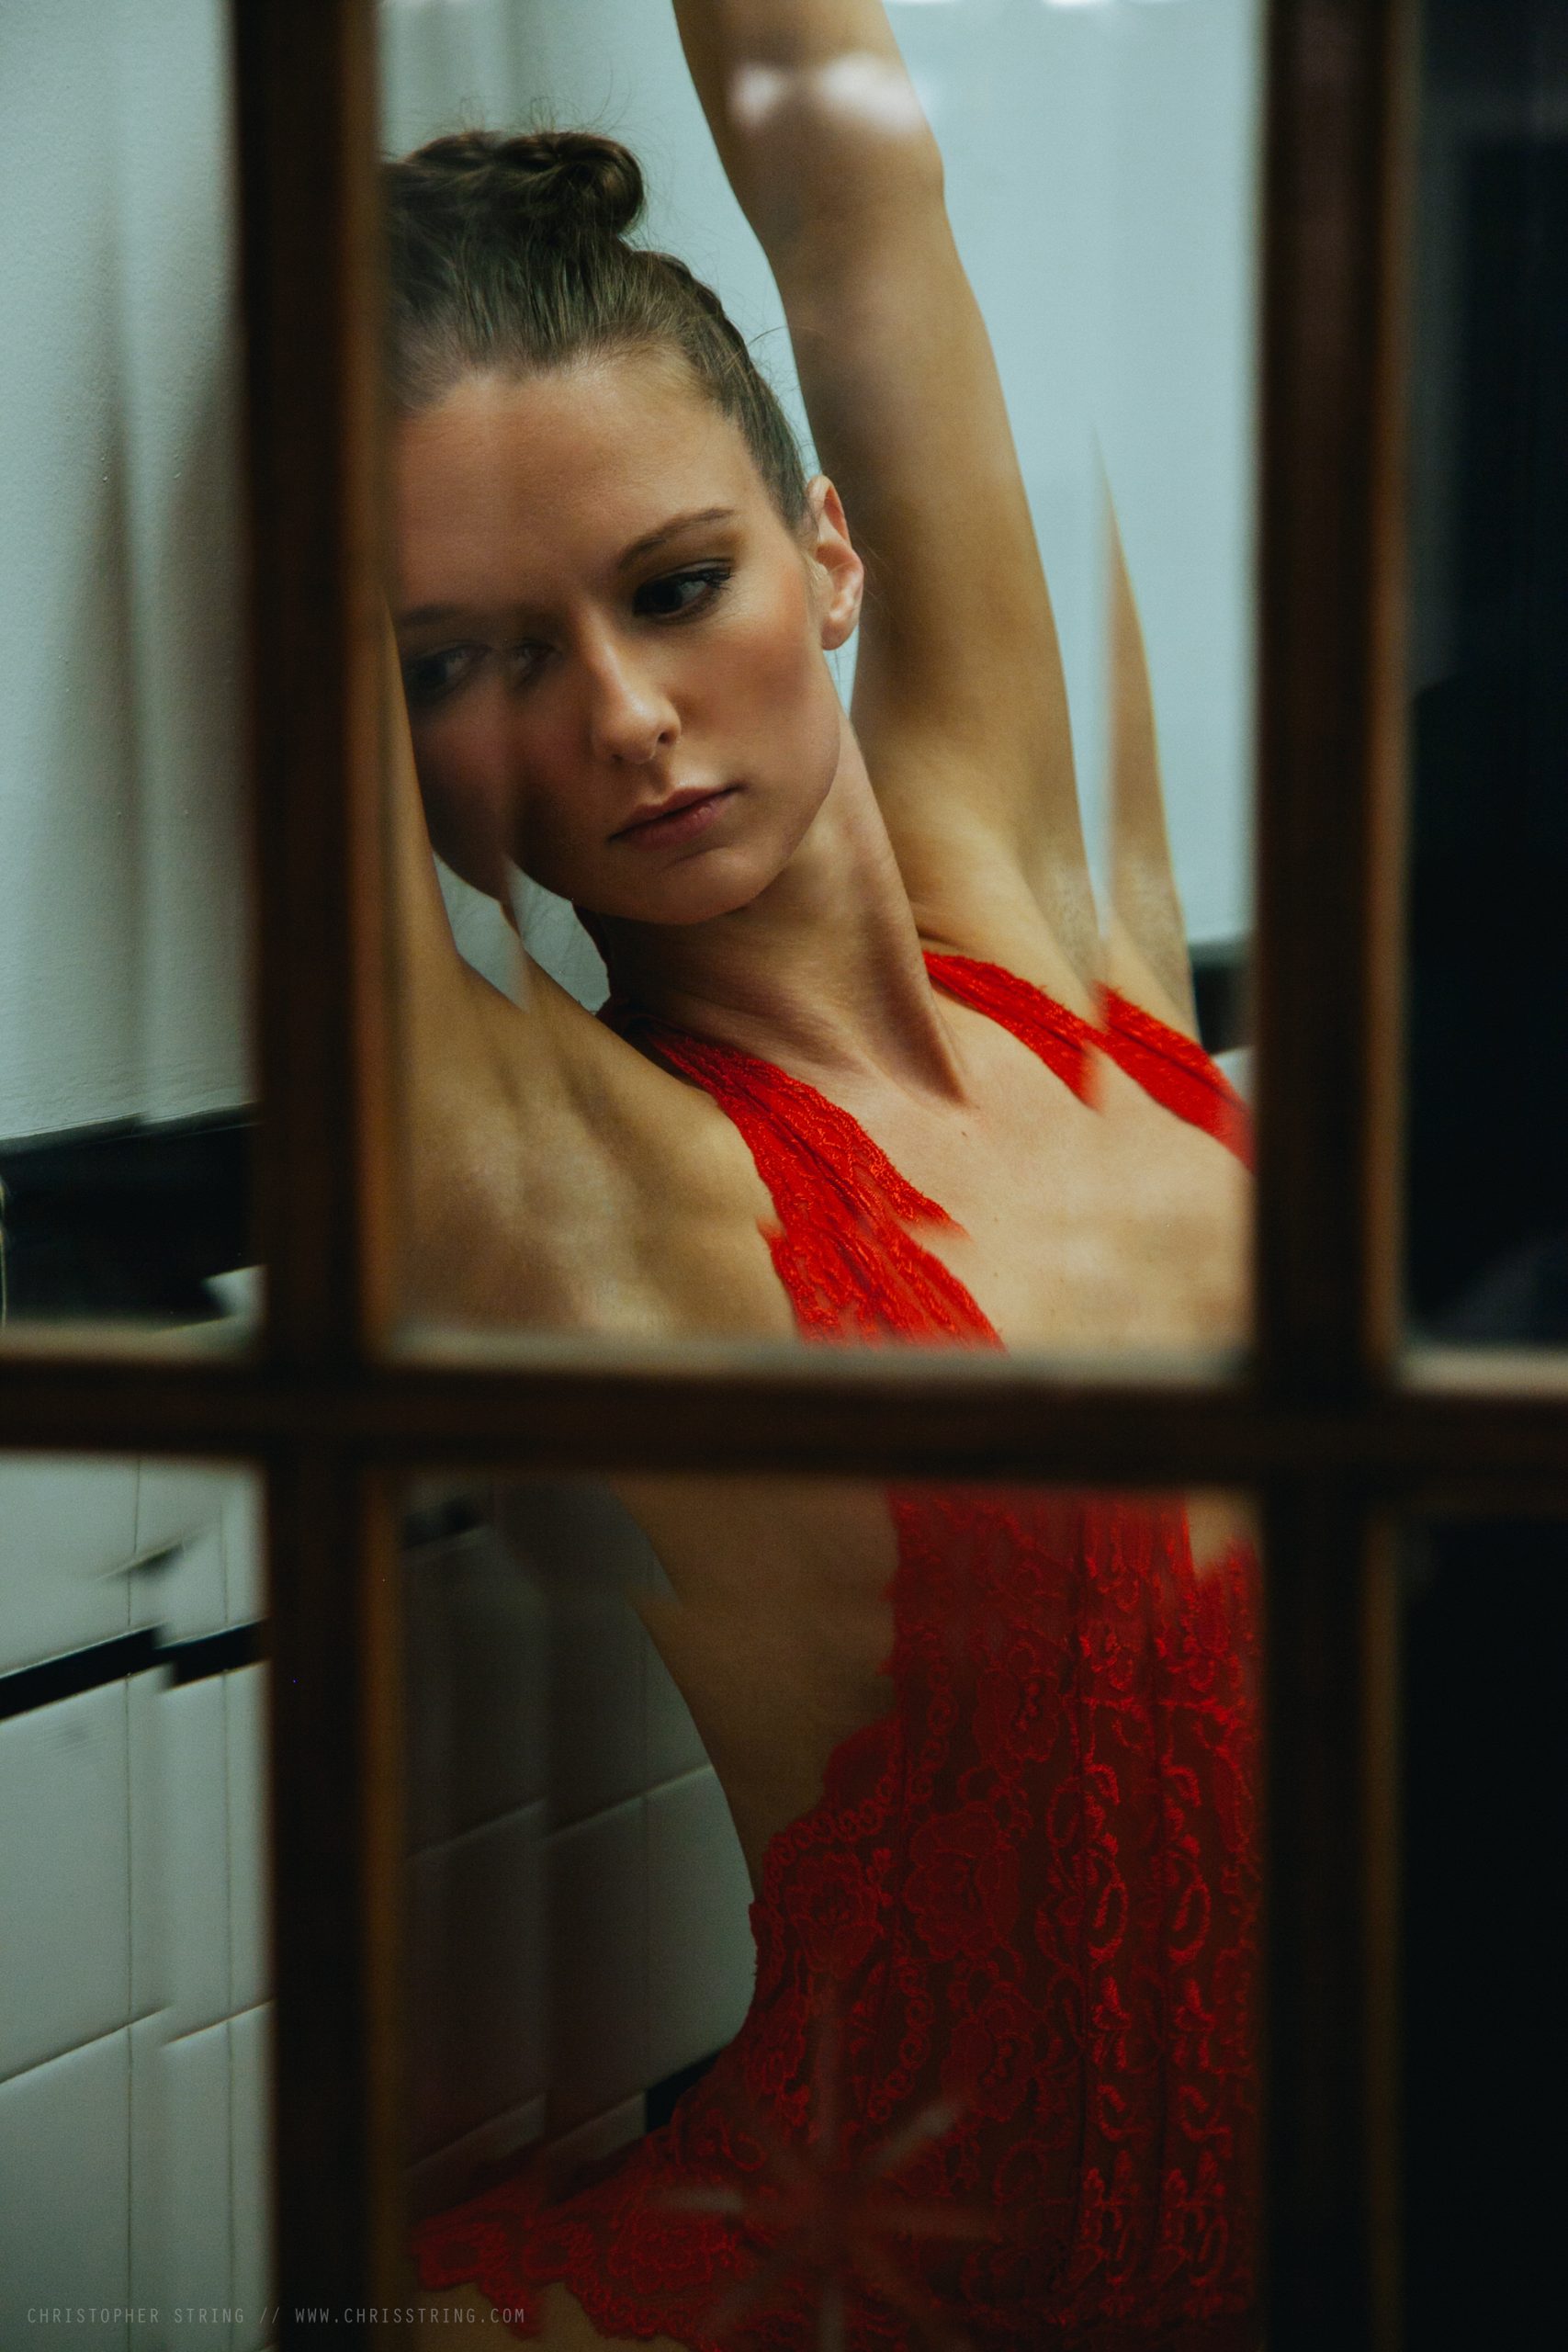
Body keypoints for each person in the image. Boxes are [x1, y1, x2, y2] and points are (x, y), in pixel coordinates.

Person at [389, 4, 1261, 2345]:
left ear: (827, 554)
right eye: (480, 662)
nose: (622, 717)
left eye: (677, 585)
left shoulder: (1036, 901)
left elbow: (855, 191)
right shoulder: (582, 1182)